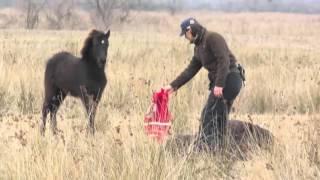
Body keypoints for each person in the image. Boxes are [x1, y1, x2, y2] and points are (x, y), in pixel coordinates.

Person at [163, 17, 244, 149]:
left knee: (209, 113)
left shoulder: (213, 38)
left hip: (230, 78)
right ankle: (219, 147)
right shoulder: (198, 48)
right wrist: (173, 86)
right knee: (218, 114)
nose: (185, 38)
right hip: (223, 82)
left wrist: (219, 84)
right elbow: (190, 70)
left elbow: (224, 61)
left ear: (190, 30)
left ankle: (207, 147)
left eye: (185, 34)